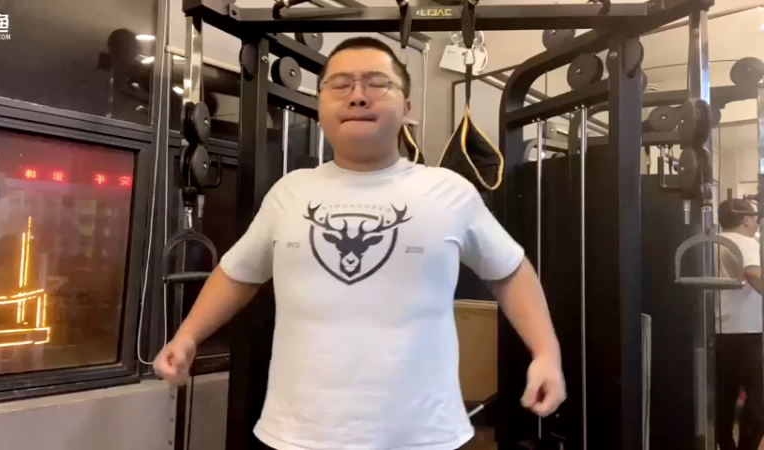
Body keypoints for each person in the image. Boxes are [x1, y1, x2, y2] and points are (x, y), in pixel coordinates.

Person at [154, 37, 565, 450]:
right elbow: (237, 274)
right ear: (320, 107)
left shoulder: (449, 191)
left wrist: (546, 353)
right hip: (297, 436)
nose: (357, 96)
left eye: (377, 83)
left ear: (407, 107)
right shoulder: (290, 193)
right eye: (340, 84)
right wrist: (187, 336)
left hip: (423, 437)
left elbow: (509, 271)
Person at [716, 198, 763, 450]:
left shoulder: (714, 242)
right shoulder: (746, 242)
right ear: (746, 219)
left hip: (719, 330)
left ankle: (726, 445)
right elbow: (753, 273)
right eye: (755, 217)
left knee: (725, 397)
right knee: (760, 397)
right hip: (746, 331)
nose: (757, 221)